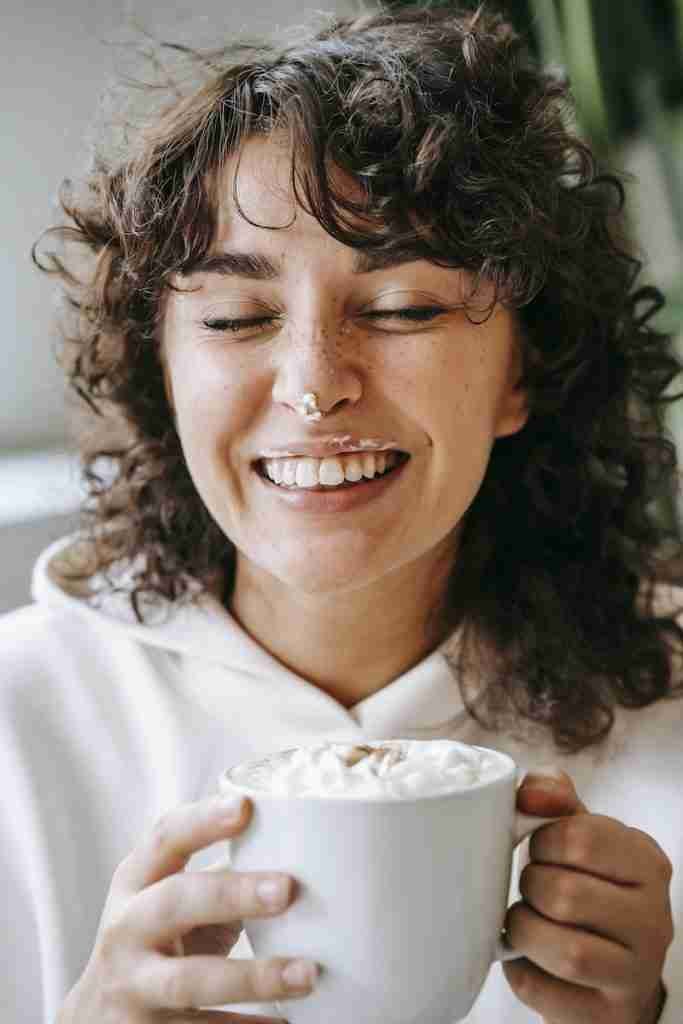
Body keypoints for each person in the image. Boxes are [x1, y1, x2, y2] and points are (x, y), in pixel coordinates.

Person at [2, 2, 682, 1021]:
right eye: (236, 318)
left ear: (522, 370)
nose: (313, 386)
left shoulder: (664, 714)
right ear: (162, 368)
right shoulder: (20, 728)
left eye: (402, 307)